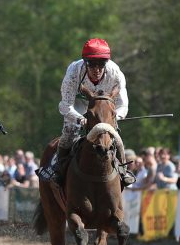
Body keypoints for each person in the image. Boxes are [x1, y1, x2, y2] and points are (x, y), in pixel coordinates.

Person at [38, 38, 132, 187]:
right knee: (70, 132)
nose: (97, 69)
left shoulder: (116, 74)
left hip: (104, 107)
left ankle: (123, 170)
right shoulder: (73, 73)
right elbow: (64, 106)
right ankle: (58, 168)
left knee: (114, 135)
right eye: (92, 64)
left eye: (101, 64)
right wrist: (80, 119)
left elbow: (123, 106)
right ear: (85, 62)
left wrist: (113, 119)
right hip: (78, 105)